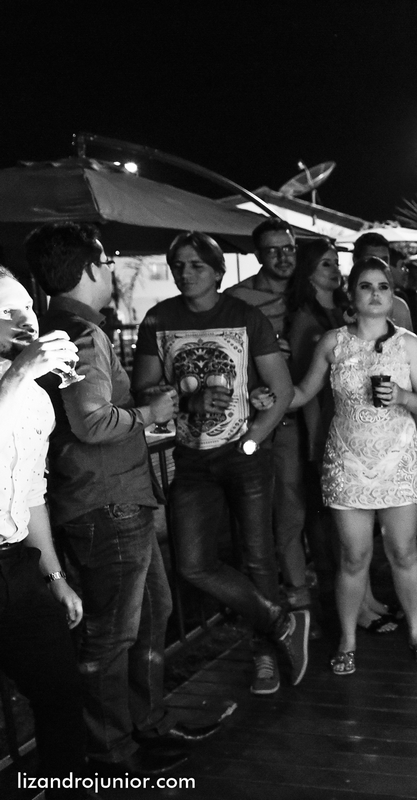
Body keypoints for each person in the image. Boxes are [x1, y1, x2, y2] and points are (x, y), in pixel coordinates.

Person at [27, 223, 218, 778]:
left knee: (153, 612)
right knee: (112, 634)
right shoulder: (81, 333)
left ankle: (147, 725)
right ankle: (112, 751)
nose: (112, 271)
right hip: (105, 500)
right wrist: (149, 415)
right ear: (88, 269)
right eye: (106, 263)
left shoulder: (56, 326)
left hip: (109, 495)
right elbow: (90, 421)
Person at [133, 231, 309, 695]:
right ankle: (279, 621)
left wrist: (253, 439)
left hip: (245, 455)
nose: (185, 273)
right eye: (178, 265)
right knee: (192, 564)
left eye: (195, 265)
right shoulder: (158, 318)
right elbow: (144, 390)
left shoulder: (245, 317)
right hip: (190, 458)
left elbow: (283, 389)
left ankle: (265, 655)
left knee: (258, 556)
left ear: (216, 271)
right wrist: (180, 400)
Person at [291, 258, 417, 672]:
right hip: (348, 462)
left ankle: (416, 631)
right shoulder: (332, 341)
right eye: (366, 286)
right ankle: (348, 639)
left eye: (383, 287)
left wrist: (404, 398)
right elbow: (303, 392)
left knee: (403, 551)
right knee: (354, 557)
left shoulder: (408, 344)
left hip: (397, 458)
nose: (375, 293)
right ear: (352, 295)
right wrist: (265, 401)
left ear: (393, 296)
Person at [0, 267, 90, 799]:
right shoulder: (19, 385)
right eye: (4, 313)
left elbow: (31, 491)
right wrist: (15, 376)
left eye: (26, 311)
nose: (21, 321)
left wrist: (55, 575)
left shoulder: (34, 397)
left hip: (14, 565)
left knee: (60, 692)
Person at [226, 218, 314, 628]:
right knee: (270, 517)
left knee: (299, 511)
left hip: (310, 416)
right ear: (258, 255)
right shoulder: (238, 302)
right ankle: (282, 606)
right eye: (274, 250)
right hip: (263, 423)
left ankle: (298, 597)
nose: (283, 257)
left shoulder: (308, 295)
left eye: (289, 248)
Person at [284, 239, 347, 604]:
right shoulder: (307, 321)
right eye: (326, 264)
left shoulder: (340, 312)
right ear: (308, 271)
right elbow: (303, 386)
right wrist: (316, 441)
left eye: (336, 262)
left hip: (345, 423)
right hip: (322, 430)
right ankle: (332, 596)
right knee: (324, 520)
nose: (335, 269)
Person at [352, 232, 414, 332]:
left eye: (384, 260)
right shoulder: (341, 303)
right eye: (372, 260)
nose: (379, 265)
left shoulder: (399, 307)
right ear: (356, 260)